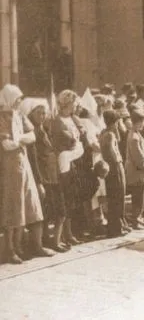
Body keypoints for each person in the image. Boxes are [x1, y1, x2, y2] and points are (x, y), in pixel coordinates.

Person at [0, 84, 54, 264]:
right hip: (9, 168)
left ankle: (32, 246)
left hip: (24, 165)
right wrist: (19, 141)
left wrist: (19, 140)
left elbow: (32, 136)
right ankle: (10, 249)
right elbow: (6, 145)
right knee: (13, 208)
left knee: (31, 204)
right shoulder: (2, 117)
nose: (18, 103)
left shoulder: (19, 115)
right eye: (15, 99)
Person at [25, 99, 67, 251]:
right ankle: (41, 245)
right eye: (39, 113)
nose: (42, 116)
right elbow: (34, 159)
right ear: (31, 113)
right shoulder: (32, 132)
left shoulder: (45, 130)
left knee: (60, 211)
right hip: (43, 177)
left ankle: (55, 241)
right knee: (44, 213)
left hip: (53, 175)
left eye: (44, 113)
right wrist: (39, 181)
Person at [51, 89, 84, 247]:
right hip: (63, 164)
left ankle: (69, 233)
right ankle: (62, 235)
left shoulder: (73, 119)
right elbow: (68, 142)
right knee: (64, 199)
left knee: (71, 199)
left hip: (73, 162)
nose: (75, 106)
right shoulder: (57, 121)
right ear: (67, 104)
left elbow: (78, 137)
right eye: (73, 103)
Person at [100, 110, 128, 237]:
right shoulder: (109, 134)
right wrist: (117, 162)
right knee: (118, 196)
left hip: (111, 166)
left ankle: (119, 225)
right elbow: (112, 151)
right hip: (115, 166)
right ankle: (116, 228)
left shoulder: (104, 132)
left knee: (115, 196)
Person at [125, 108, 144, 229]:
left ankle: (138, 218)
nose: (143, 124)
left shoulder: (136, 134)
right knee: (138, 197)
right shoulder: (134, 137)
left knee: (140, 196)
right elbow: (139, 158)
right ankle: (135, 219)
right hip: (137, 172)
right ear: (136, 122)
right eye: (141, 122)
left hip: (139, 171)